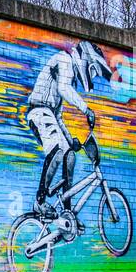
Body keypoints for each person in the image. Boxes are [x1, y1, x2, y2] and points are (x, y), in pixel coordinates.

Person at [25, 40, 112, 221]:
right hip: (38, 111)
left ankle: (67, 212)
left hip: (48, 113)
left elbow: (57, 117)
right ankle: (40, 201)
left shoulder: (68, 73)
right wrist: (85, 109)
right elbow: (64, 89)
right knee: (57, 151)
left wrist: (69, 138)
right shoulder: (64, 60)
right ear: (86, 60)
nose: (92, 75)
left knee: (69, 155)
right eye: (93, 70)